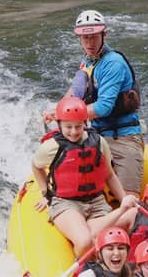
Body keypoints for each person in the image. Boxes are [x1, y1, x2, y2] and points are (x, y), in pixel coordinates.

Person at [43, 9, 145, 196]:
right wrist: (58, 108)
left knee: (128, 199)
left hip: (122, 139)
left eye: (93, 37)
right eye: (85, 38)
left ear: (103, 35)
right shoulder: (88, 61)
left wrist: (64, 116)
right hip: (95, 136)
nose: (89, 43)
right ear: (79, 39)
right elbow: (75, 92)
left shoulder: (113, 63)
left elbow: (103, 107)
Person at [32, 96, 137, 256]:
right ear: (59, 125)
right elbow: (36, 166)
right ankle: (85, 271)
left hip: (96, 203)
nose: (73, 131)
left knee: (132, 216)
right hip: (66, 204)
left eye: (78, 126)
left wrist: (124, 201)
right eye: (68, 127)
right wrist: (46, 193)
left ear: (85, 124)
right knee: (85, 241)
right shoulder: (51, 147)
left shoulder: (99, 142)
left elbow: (109, 175)